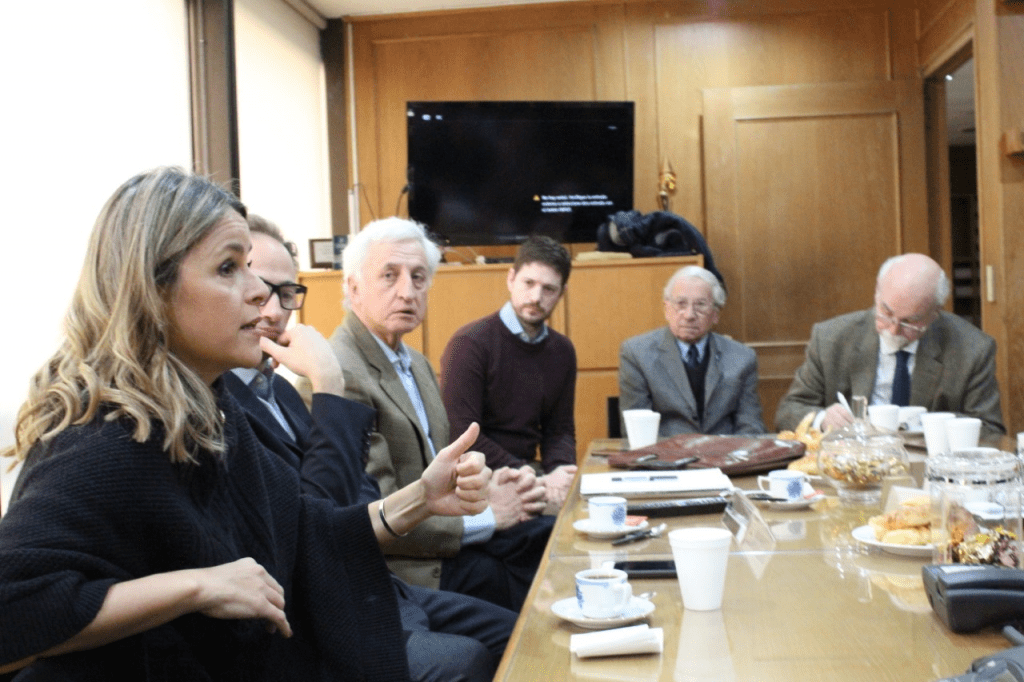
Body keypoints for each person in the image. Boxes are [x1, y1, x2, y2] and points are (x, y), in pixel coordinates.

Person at [0, 168, 491, 681]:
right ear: (152, 289)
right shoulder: (103, 439)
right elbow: (12, 608)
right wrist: (195, 586)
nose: (259, 292)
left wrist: (422, 498)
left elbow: (301, 529)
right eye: (228, 268)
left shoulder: (211, 409)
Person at [224, 215, 516, 682]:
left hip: (373, 581)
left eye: (286, 293)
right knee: (477, 636)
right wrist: (329, 383)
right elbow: (313, 534)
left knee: (518, 630)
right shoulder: (269, 391)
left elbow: (353, 505)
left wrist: (441, 492)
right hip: (330, 606)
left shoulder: (277, 390)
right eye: (256, 288)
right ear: (352, 289)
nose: (274, 310)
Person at [321, 216, 553, 612]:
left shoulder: (417, 362)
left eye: (418, 277)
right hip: (405, 566)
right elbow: (377, 514)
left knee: (547, 534)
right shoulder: (339, 374)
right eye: (389, 276)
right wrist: (488, 516)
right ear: (353, 287)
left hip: (442, 536)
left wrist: (489, 485)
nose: (407, 291)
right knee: (524, 585)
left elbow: (441, 467)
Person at [774, 253, 1005, 436]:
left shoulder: (972, 349)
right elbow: (788, 411)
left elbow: (991, 429)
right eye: (886, 312)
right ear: (877, 291)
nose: (893, 329)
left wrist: (932, 425)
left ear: (935, 313)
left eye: (909, 322)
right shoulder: (831, 339)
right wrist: (823, 419)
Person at [440, 235, 578, 511]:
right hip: (479, 479)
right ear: (511, 279)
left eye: (549, 289)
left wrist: (560, 473)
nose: (536, 297)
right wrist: (526, 474)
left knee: (579, 514)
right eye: (529, 283)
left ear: (561, 293)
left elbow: (559, 429)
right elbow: (461, 434)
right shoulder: (469, 343)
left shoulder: (562, 351)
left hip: (531, 474)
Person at [618, 265, 766, 437]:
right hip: (666, 451)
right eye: (681, 304)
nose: (689, 315)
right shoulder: (637, 354)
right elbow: (636, 431)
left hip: (725, 451)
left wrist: (737, 452)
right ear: (666, 309)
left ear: (715, 314)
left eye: (700, 305)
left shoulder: (742, 358)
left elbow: (750, 426)